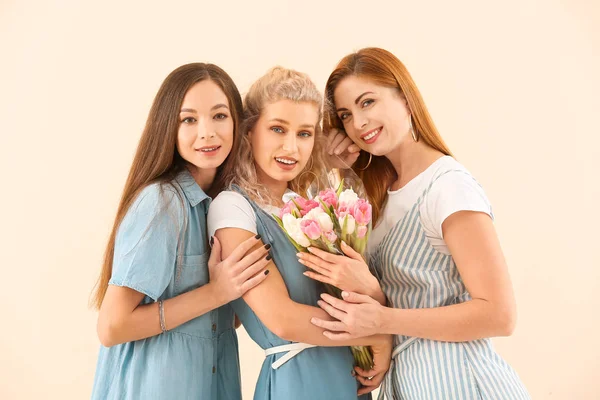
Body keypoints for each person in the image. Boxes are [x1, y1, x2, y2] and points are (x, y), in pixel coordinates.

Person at [300, 48, 531, 399]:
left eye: (368, 102)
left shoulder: (447, 186)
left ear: (406, 99)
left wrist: (383, 321)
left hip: (460, 383)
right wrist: (334, 166)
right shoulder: (376, 194)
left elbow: (499, 314)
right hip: (410, 384)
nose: (358, 124)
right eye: (346, 115)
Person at [208, 66, 392, 400]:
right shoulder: (233, 208)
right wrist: (374, 334)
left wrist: (337, 164)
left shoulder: (309, 203)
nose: (291, 147)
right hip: (297, 382)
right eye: (277, 129)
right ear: (250, 132)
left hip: (349, 380)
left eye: (305, 133)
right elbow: (281, 318)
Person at [90, 63, 271, 400]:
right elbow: (111, 327)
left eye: (219, 116)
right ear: (168, 128)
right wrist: (216, 292)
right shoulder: (162, 203)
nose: (207, 132)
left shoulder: (224, 207)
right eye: (189, 119)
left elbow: (219, 321)